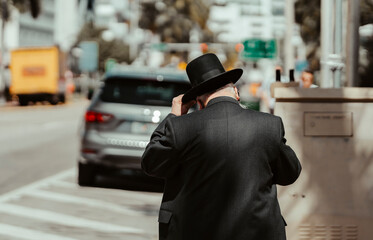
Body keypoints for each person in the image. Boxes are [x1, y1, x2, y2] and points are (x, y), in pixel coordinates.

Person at [141, 53, 301, 240]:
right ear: (236, 93)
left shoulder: (181, 127)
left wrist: (174, 117)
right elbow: (290, 173)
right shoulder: (268, 125)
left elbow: (151, 163)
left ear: (199, 103)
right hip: (256, 233)